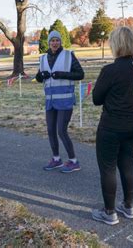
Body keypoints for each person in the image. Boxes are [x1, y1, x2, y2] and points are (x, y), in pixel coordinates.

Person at [91, 27, 133, 226]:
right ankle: (129, 206)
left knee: (108, 168)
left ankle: (109, 211)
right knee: (127, 163)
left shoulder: (110, 70)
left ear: (116, 44)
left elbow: (96, 98)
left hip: (112, 126)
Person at [36, 30, 84, 173]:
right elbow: (39, 78)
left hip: (65, 101)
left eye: (57, 40)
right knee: (51, 131)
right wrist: (40, 75)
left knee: (61, 131)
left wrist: (63, 75)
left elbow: (80, 74)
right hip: (50, 101)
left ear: (60, 42)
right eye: (52, 40)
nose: (55, 43)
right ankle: (56, 159)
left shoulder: (68, 55)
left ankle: (74, 161)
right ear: (48, 42)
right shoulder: (43, 58)